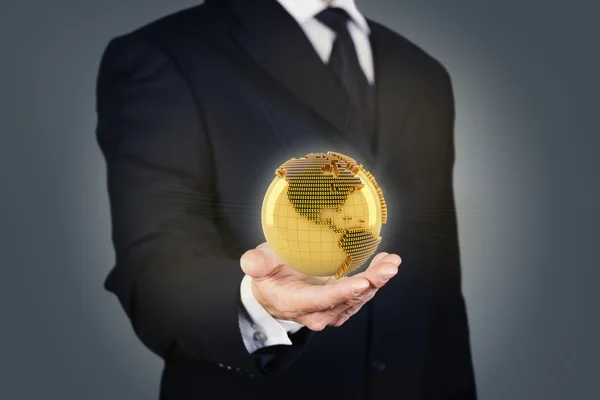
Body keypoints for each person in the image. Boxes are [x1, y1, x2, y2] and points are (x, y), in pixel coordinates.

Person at [95, 0, 477, 398]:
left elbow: (439, 289)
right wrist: (260, 306)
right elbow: (155, 274)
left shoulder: (424, 73)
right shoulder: (165, 54)